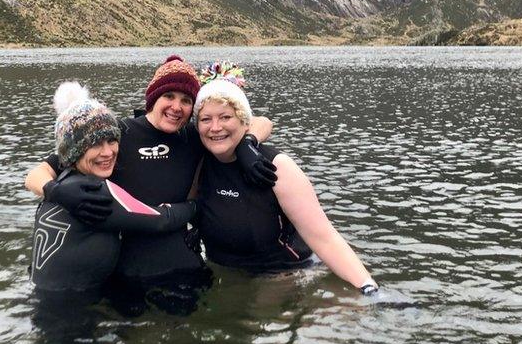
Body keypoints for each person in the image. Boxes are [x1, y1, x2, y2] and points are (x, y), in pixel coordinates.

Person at [25, 55, 275, 310]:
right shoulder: (115, 135)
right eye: (169, 96)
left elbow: (260, 121)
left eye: (186, 100)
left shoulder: (195, 136)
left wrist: (248, 143)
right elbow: (38, 173)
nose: (176, 107)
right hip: (129, 269)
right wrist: (54, 191)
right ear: (153, 98)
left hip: (182, 263)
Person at [192, 62, 378, 295]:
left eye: (226, 117)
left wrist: (368, 288)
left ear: (243, 121)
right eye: (206, 119)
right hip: (227, 274)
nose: (215, 127)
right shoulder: (198, 162)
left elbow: (324, 237)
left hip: (284, 274)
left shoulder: (277, 166)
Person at [30, 82, 196, 303]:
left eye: (112, 141)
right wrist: (196, 206)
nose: (107, 152)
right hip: (71, 309)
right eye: (95, 144)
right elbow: (160, 220)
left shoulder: (62, 182)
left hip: (39, 296)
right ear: (73, 150)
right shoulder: (96, 190)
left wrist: (53, 190)